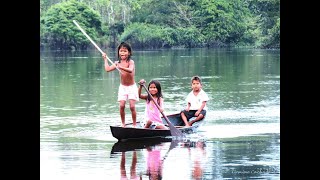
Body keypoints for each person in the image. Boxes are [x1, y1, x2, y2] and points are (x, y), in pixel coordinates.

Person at [102, 42, 139, 127]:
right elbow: (107, 69)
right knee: (122, 105)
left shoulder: (131, 62)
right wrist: (105, 59)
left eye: (125, 51)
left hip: (131, 87)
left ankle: (134, 125)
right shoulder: (117, 62)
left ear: (129, 52)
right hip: (122, 87)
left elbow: (130, 70)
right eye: (121, 51)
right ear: (118, 52)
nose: (122, 53)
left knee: (132, 107)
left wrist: (120, 67)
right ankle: (123, 124)